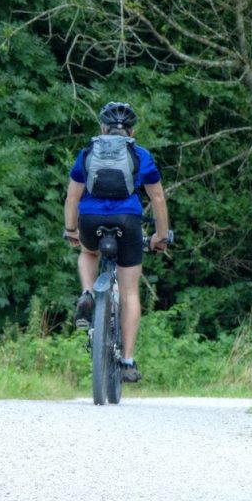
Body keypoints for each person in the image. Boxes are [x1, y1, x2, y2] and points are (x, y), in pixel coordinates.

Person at [63, 101, 170, 383]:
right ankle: (127, 361)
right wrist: (160, 236)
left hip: (90, 219)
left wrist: (71, 229)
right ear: (132, 131)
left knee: (88, 252)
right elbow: (157, 198)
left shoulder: (87, 152)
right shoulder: (140, 155)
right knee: (130, 291)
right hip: (128, 221)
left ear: (102, 128)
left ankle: (87, 293)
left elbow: (72, 197)